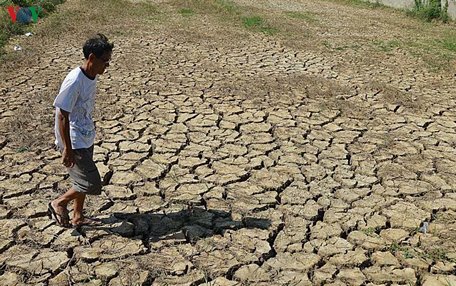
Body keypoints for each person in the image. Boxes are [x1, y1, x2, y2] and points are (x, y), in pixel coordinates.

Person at [48, 33, 113, 227]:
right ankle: (58, 202)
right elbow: (62, 115)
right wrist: (67, 148)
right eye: (105, 61)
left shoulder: (91, 75)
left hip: (85, 135)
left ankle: (78, 216)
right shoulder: (75, 80)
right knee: (91, 183)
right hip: (74, 139)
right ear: (91, 58)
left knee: (82, 181)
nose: (107, 66)